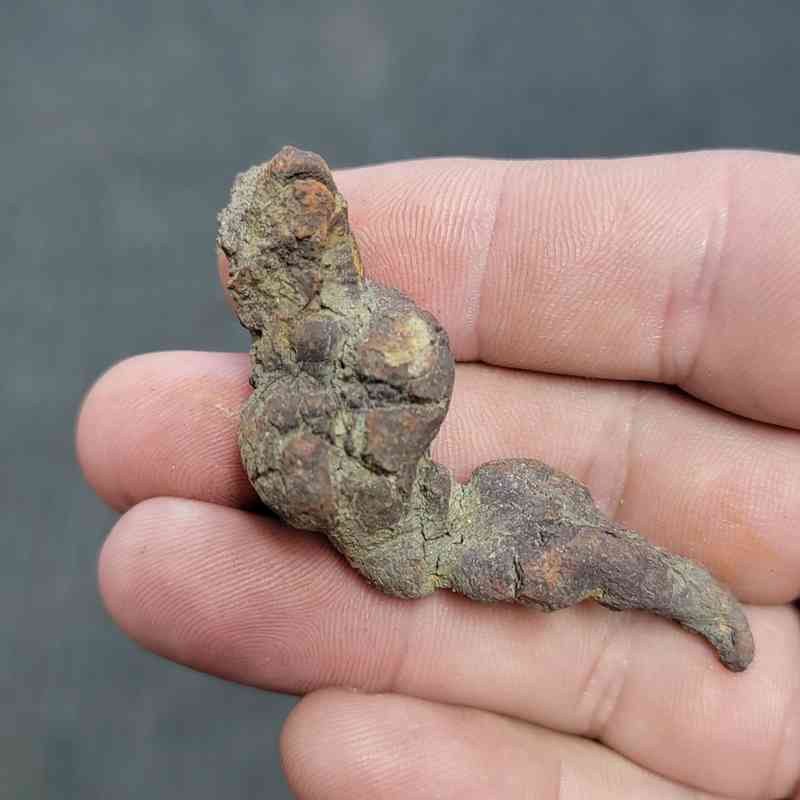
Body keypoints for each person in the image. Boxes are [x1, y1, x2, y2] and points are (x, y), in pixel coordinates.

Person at [77, 150, 800, 799]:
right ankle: (691, 601)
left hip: (455, 512)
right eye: (288, 248)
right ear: (253, 281)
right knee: (566, 556)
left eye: (316, 230)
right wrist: (335, 455)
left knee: (573, 546)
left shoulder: (370, 330)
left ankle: (692, 602)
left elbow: (407, 381)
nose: (312, 253)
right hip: (422, 540)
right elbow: (308, 484)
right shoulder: (281, 404)